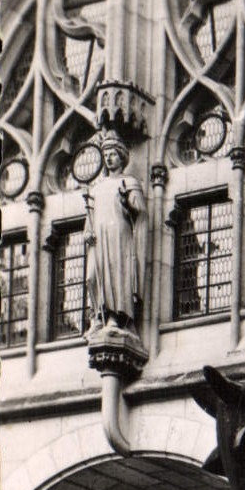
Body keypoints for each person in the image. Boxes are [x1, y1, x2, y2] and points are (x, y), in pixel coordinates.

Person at [84, 131, 147, 337]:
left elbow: (140, 210)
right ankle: (97, 316)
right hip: (98, 236)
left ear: (121, 156)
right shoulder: (97, 187)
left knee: (116, 274)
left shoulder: (129, 182)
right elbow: (90, 217)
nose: (108, 158)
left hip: (118, 233)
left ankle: (114, 317)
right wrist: (87, 232)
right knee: (92, 276)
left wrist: (127, 199)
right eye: (106, 155)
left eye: (112, 154)